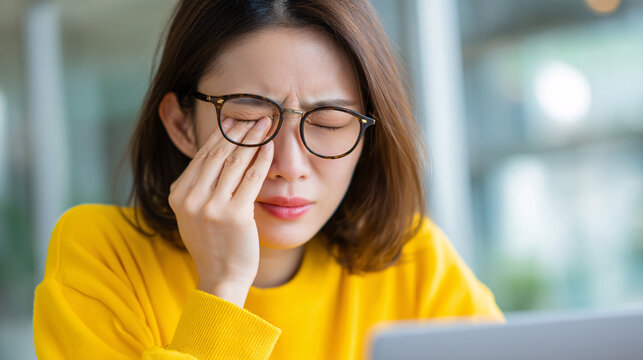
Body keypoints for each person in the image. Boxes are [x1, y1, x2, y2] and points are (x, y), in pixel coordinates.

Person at [33, 0, 503, 359]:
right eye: (249, 119)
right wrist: (223, 285)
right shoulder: (102, 255)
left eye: (330, 122)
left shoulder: (415, 263)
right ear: (181, 124)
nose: (290, 164)